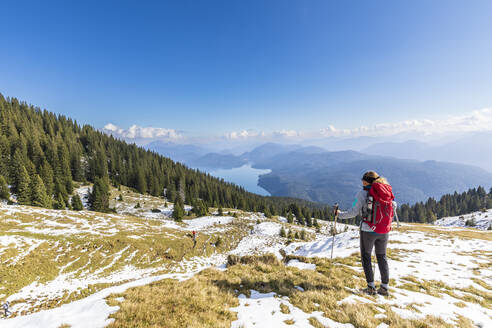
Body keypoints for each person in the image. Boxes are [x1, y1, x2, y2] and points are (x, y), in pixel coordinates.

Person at [337, 171, 398, 296]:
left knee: (366, 257)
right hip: (384, 230)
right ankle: (384, 287)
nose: (361, 182)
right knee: (382, 257)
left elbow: (353, 211)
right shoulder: (386, 191)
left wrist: (339, 215)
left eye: (362, 180)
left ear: (366, 181)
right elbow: (394, 205)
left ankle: (371, 288)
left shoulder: (362, 193)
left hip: (368, 230)